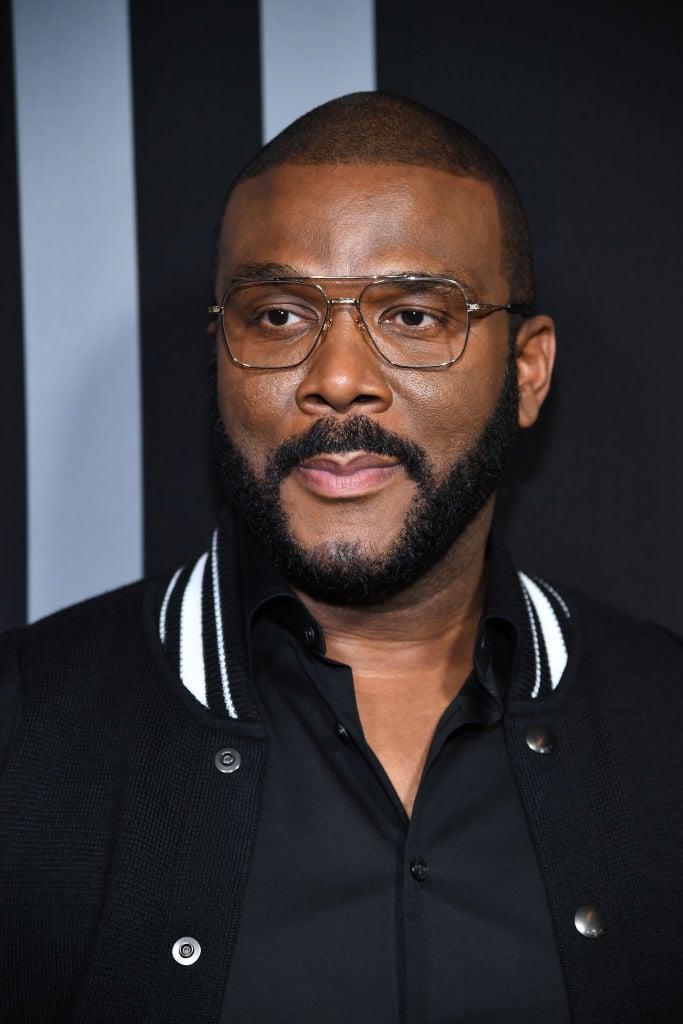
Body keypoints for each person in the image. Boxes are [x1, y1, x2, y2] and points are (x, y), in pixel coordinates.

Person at [1, 91, 681, 1024]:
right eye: (279, 315)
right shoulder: (25, 734)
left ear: (525, 373)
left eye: (415, 317)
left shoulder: (662, 722)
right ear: (219, 357)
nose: (337, 379)